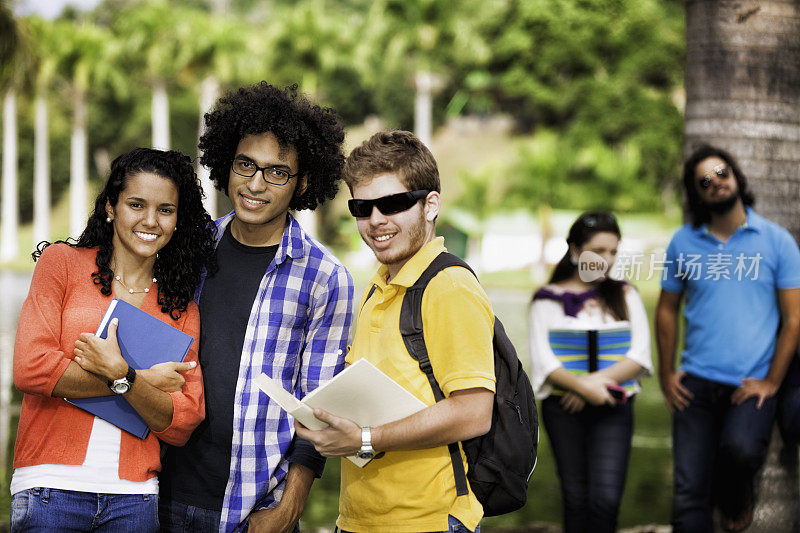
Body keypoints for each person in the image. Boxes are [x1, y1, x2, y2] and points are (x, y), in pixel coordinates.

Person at [158, 82, 354, 533]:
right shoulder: (187, 250)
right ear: (227, 164)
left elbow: (317, 407)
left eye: (277, 172)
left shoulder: (325, 278)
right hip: (157, 490)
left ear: (302, 182)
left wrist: (288, 509)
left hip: (254, 505)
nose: (255, 184)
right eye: (246, 164)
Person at [295, 130, 495, 533]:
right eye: (362, 207)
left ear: (430, 205)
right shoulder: (376, 283)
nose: (376, 221)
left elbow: (474, 413)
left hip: (428, 521)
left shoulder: (449, 286)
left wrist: (365, 439)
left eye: (393, 204)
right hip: (359, 520)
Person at [11, 147, 214, 532]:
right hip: (50, 488)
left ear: (177, 220)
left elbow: (184, 419)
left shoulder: (180, 309)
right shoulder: (63, 265)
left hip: (134, 499)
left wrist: (123, 377)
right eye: (136, 204)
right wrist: (144, 381)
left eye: (165, 210)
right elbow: (31, 369)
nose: (150, 220)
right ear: (111, 207)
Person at [656, 144, 800, 532]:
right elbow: (667, 309)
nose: (716, 182)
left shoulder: (776, 240)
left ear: (735, 175)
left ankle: (736, 494)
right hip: (695, 384)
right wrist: (666, 374)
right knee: (688, 492)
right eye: (704, 181)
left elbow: (795, 318)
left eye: (721, 172)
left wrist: (772, 381)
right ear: (696, 194)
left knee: (739, 452)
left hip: (749, 382)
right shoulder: (682, 243)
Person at [528, 211, 652, 532]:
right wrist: (581, 389)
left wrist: (589, 387)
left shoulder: (626, 295)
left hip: (615, 407)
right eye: (598, 251)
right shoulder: (546, 300)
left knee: (606, 500)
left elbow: (638, 357)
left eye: (613, 251)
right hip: (562, 410)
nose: (607, 260)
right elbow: (544, 362)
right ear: (574, 250)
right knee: (576, 498)